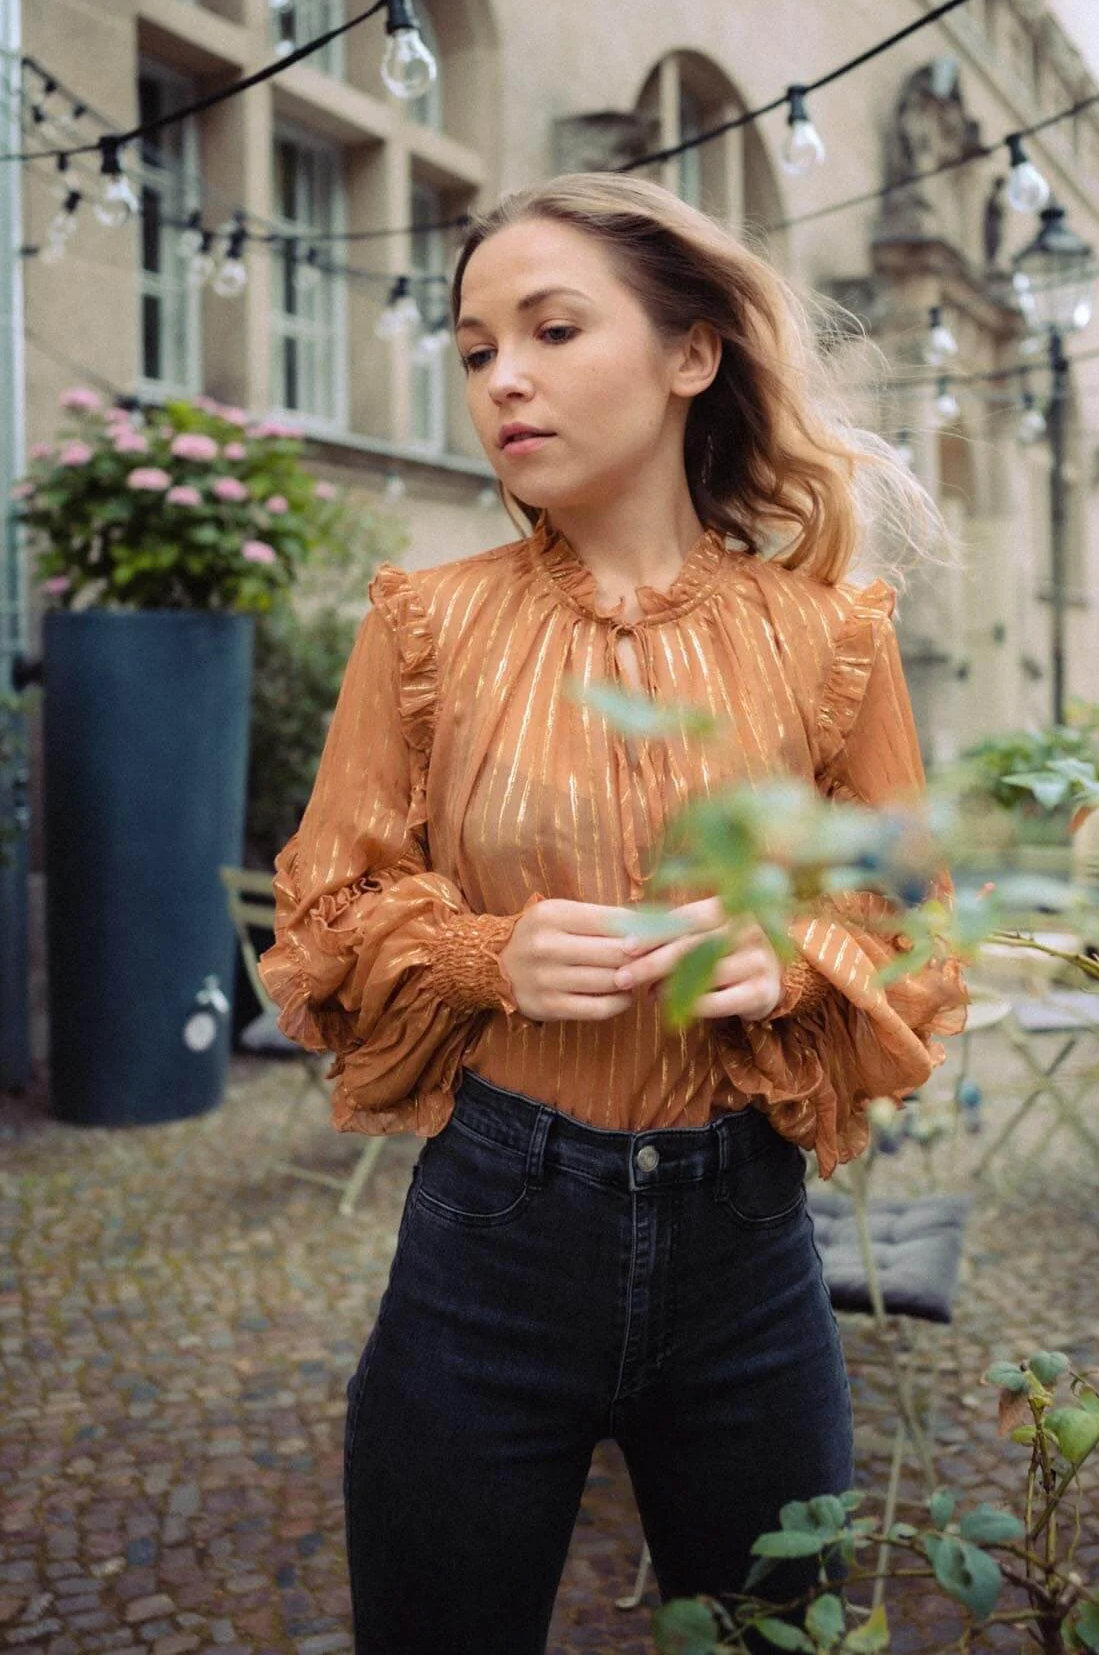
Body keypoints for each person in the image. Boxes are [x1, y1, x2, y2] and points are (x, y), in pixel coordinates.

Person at [258, 172, 968, 1654]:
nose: (502, 375)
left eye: (553, 328)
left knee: (779, 1636)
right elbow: (321, 919)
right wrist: (478, 952)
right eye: (472, 350)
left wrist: (799, 958)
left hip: (751, 1256)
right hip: (491, 1234)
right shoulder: (425, 621)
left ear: (690, 353)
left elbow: (915, 932)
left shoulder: (833, 636)